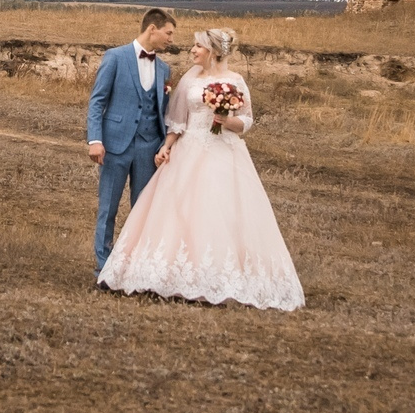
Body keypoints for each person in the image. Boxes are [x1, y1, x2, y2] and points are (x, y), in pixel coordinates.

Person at [97, 28, 304, 311]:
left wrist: (225, 120)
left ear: (214, 52)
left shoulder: (235, 80)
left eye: (198, 46)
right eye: (193, 46)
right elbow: (178, 120)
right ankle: (171, 273)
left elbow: (247, 121)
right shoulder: (189, 79)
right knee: (179, 211)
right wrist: (167, 146)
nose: (192, 50)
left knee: (221, 212)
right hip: (188, 150)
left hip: (224, 152)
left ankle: (218, 276)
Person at [87, 9, 176, 275]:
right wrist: (95, 139)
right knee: (109, 208)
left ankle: (136, 266)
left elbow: (163, 110)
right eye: (168, 33)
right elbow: (97, 101)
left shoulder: (164, 68)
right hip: (115, 144)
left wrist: (164, 145)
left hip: (149, 147)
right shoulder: (115, 57)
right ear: (152, 28)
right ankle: (104, 267)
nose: (171, 39)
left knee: (143, 210)